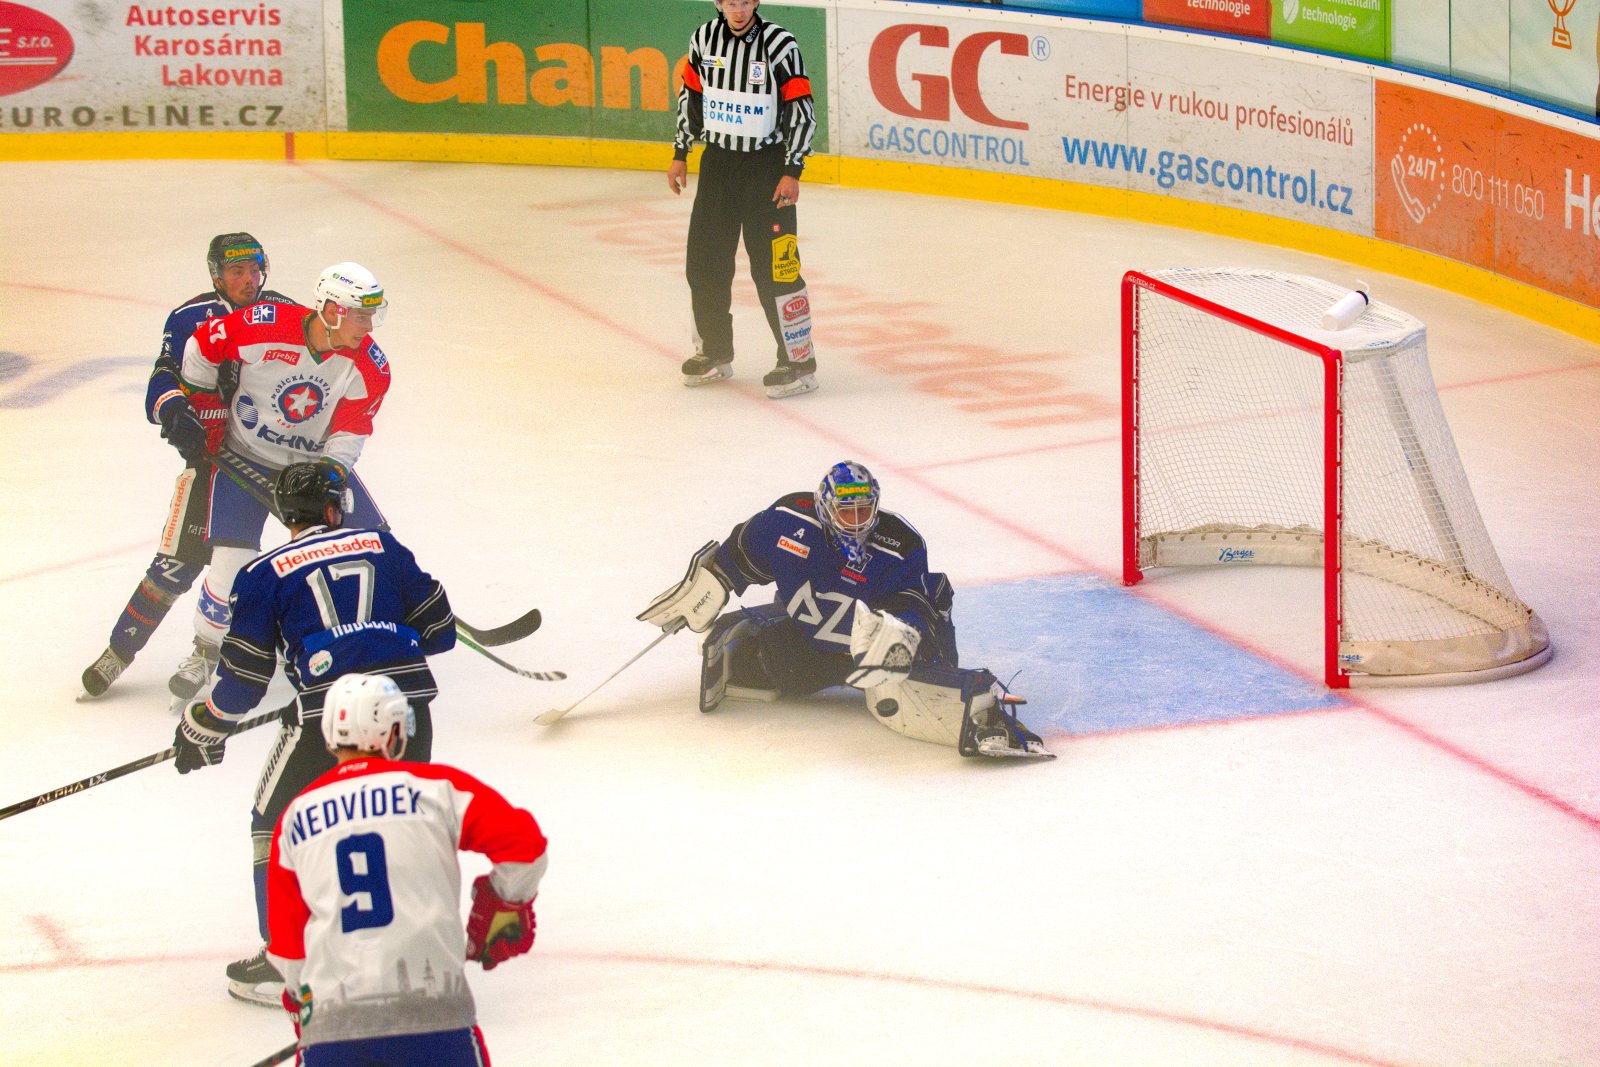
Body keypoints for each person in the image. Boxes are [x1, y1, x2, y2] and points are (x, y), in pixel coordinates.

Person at [172, 461, 457, 1006]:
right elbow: (440, 631)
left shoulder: (262, 573)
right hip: (406, 707)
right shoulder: (384, 546)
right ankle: (408, 959)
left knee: (275, 823)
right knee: (390, 821)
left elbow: (243, 681)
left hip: (331, 717)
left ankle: (288, 961)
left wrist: (202, 725)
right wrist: (379, 637)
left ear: (286, 516)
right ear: (334, 509)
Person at [638, 461, 1053, 759]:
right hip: (817, 636)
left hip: (882, 646)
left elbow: (914, 603)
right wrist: (707, 587)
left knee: (909, 674)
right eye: (845, 510)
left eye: (864, 509)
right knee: (777, 667)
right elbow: (739, 557)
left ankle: (962, 701)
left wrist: (898, 636)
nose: (856, 521)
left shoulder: (900, 544)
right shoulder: (783, 523)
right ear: (824, 506)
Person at [265, 672, 547, 1066]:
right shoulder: (436, 788)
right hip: (434, 1021)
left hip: (334, 1031)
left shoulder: (293, 819)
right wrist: (504, 905)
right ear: (393, 729)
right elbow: (525, 847)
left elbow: (288, 948)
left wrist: (303, 1004)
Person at [80, 232, 297, 702]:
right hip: (218, 462)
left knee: (321, 549)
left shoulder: (285, 311)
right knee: (177, 562)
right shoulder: (189, 318)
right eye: (237, 271)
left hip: (279, 457)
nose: (249, 280)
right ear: (216, 275)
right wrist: (175, 411)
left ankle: (344, 637)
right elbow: (164, 376)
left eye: (255, 270)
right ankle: (120, 650)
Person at [169, 260, 397, 700]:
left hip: (310, 469)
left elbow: (352, 428)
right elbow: (201, 346)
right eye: (360, 315)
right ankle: (206, 650)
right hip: (244, 455)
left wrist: (330, 474)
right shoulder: (265, 325)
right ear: (331, 311)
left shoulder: (370, 366)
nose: (369, 327)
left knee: (373, 548)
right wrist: (203, 409)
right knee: (231, 560)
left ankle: (368, 643)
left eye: (372, 315)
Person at [667, 0, 820, 399]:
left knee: (777, 268)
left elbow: (801, 109)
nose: (738, 10)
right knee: (705, 262)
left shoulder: (780, 44)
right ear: (719, 4)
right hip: (718, 165)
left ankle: (799, 362)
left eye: (745, 1)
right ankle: (714, 352)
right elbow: (691, 98)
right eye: (731, 2)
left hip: (766, 169)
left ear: (755, 2)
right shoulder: (703, 39)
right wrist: (681, 152)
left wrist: (793, 169)